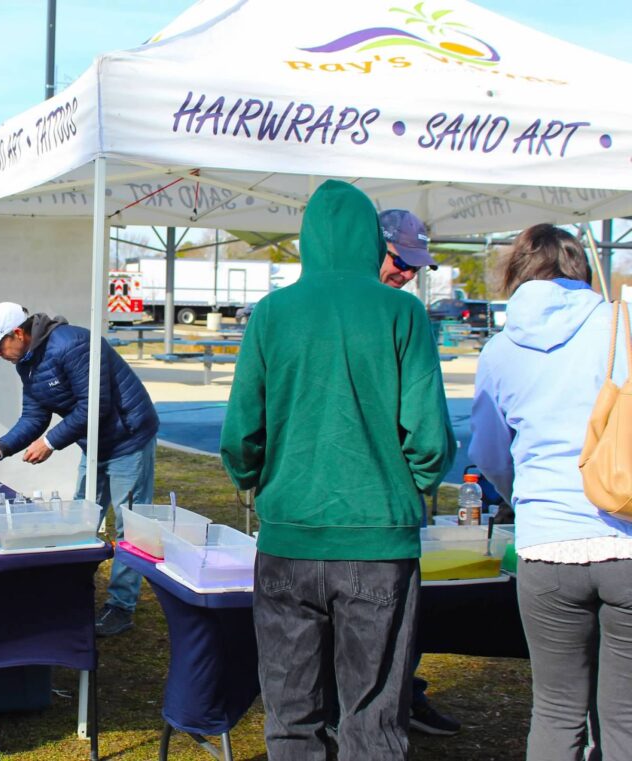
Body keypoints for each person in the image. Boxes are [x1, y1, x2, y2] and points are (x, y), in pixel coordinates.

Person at [220, 180, 455, 761]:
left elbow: (240, 435)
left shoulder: (272, 314)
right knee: (372, 718)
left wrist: (255, 482)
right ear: (367, 241)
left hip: (287, 540)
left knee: (291, 715)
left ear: (308, 242)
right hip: (378, 543)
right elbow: (429, 437)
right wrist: (408, 489)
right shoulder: (403, 311)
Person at [469, 224, 632, 761]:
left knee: (556, 707)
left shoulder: (498, 350)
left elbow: (491, 454)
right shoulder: (621, 325)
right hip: (624, 530)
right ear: (579, 267)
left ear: (516, 271)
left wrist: (526, 495)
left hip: (544, 543)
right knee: (625, 714)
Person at [0, 302, 159, 637]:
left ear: (18, 333)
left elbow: (95, 404)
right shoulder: (27, 364)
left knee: (130, 529)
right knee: (82, 518)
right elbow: (34, 416)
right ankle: (73, 593)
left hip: (128, 438)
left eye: (0, 346)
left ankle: (121, 607)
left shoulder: (73, 345)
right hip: (95, 444)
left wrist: (51, 443)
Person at [378, 208, 461, 737]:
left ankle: (404, 695)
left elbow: (428, 434)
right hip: (364, 519)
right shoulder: (402, 317)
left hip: (379, 512)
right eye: (398, 260)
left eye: (414, 266)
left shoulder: (406, 315)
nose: (407, 273)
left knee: (389, 640)